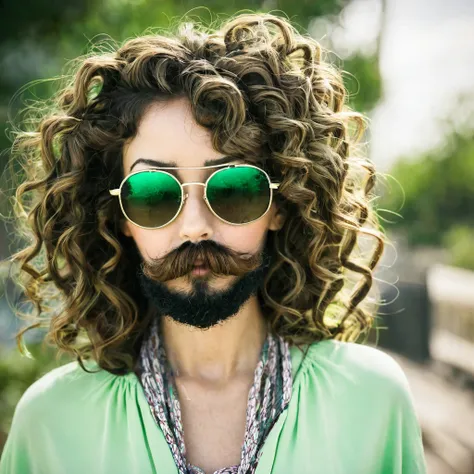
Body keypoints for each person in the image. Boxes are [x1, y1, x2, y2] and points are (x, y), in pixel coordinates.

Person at [0, 12, 427, 474]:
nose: (195, 227)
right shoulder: (52, 424)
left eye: (235, 188)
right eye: (153, 194)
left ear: (281, 205)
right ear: (120, 218)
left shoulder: (371, 400)